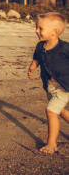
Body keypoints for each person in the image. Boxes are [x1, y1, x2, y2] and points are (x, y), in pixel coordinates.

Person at [28, 12, 69, 154]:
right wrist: (33, 67)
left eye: (40, 28)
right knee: (61, 111)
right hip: (49, 87)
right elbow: (37, 58)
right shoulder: (40, 46)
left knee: (51, 111)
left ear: (54, 32)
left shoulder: (64, 48)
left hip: (64, 87)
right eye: (37, 27)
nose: (36, 31)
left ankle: (51, 144)